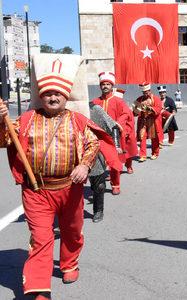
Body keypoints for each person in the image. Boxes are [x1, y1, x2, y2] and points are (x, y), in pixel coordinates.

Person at [0, 57, 117, 298]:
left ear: (66, 97)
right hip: (36, 191)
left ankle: (69, 263)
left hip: (70, 188)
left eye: (58, 94)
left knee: (72, 231)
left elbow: (93, 143)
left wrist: (84, 165)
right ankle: (39, 289)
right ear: (41, 96)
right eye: (47, 93)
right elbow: (4, 141)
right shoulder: (25, 120)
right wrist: (1, 123)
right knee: (41, 238)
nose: (53, 97)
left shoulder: (77, 120)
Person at [91, 71, 131, 195]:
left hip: (114, 135)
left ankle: (115, 184)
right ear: (100, 86)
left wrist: (117, 123)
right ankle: (97, 183)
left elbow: (126, 114)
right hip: (98, 136)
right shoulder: (95, 102)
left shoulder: (118, 101)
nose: (105, 86)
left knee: (114, 161)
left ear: (112, 86)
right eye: (103, 84)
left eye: (108, 84)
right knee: (97, 161)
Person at [133, 82, 163, 161]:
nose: (145, 93)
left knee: (154, 138)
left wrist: (150, 109)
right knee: (142, 137)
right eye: (144, 92)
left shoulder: (155, 98)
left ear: (149, 90)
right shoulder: (139, 99)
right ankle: (142, 155)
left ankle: (155, 153)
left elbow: (159, 109)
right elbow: (135, 110)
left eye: (146, 92)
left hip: (153, 121)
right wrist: (136, 110)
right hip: (143, 121)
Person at [113, 87, 138, 172]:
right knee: (114, 153)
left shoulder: (126, 108)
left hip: (126, 134)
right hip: (115, 133)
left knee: (128, 152)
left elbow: (131, 122)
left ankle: (129, 166)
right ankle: (115, 171)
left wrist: (126, 132)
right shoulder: (112, 106)